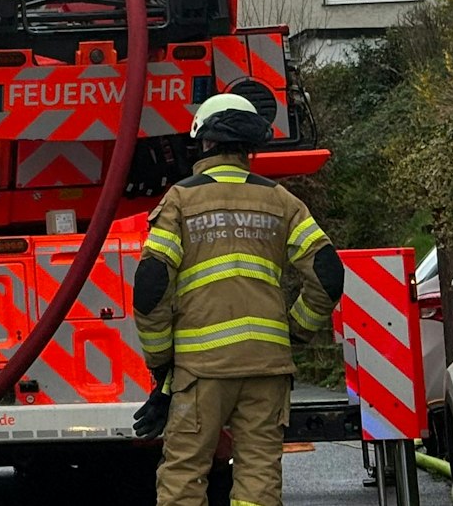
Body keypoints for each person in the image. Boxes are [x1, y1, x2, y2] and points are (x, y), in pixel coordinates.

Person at [132, 92, 346, 506]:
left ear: (204, 142)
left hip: (201, 370)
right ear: (251, 147)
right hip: (266, 366)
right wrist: (294, 331)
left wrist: (161, 364)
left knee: (184, 477)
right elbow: (328, 273)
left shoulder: (181, 199)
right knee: (259, 479)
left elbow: (152, 285)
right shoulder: (281, 201)